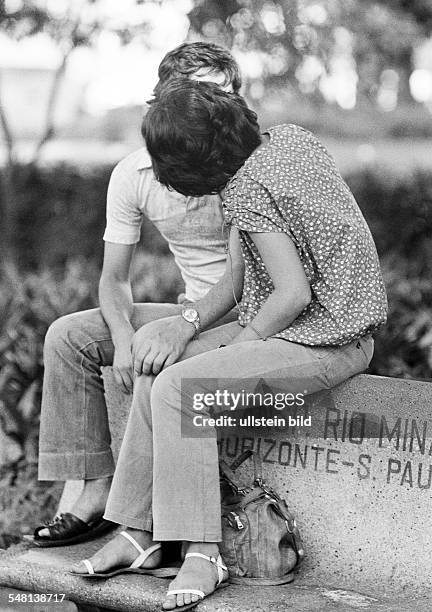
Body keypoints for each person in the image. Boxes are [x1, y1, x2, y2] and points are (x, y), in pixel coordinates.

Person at [71, 79, 388, 611]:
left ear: (192, 168)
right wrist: (190, 325)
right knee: (158, 371)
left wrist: (234, 347)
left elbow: (291, 292)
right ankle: (139, 531)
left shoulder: (247, 189)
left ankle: (203, 552)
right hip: (302, 329)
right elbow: (243, 280)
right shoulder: (289, 140)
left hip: (329, 342)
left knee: (180, 388)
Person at [33, 43, 242, 546]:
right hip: (192, 311)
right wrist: (124, 336)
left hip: (247, 317)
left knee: (160, 360)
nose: (217, 109)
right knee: (68, 336)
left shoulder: (244, 165)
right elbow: (114, 279)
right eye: (202, 96)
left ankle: (145, 526)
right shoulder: (134, 174)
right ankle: (95, 487)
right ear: (166, 101)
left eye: (226, 95)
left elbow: (241, 280)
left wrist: (181, 325)